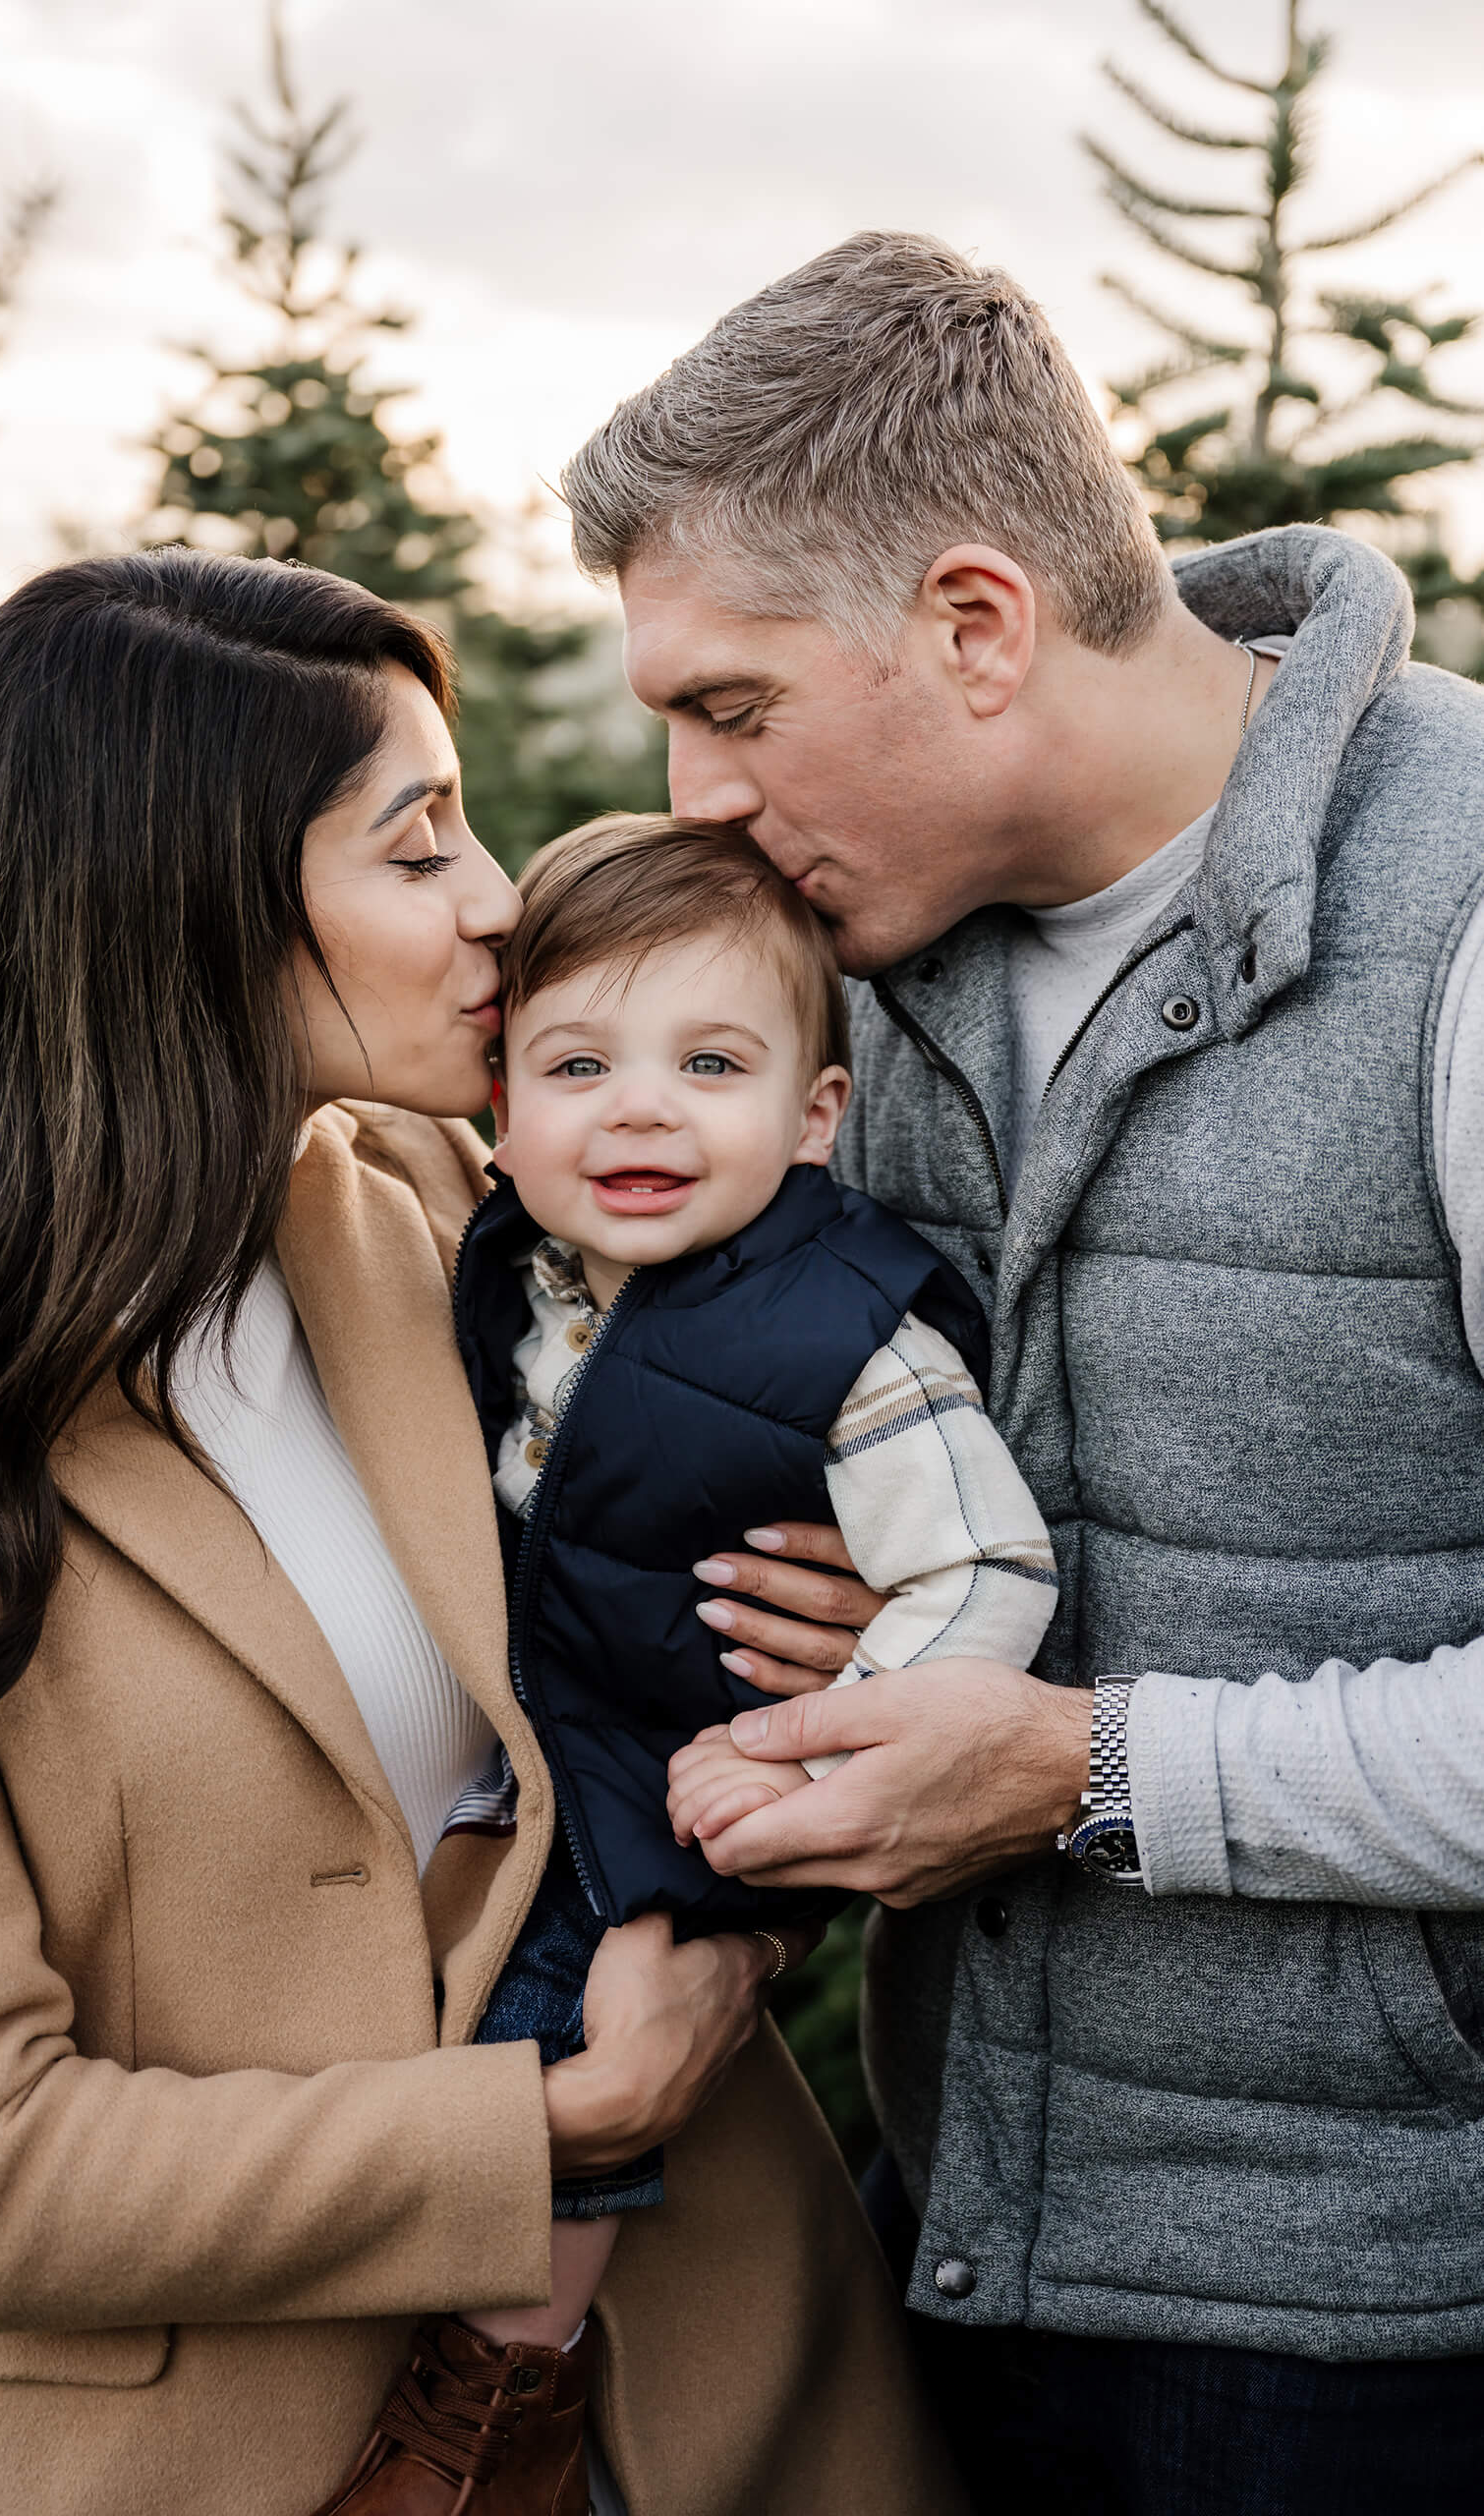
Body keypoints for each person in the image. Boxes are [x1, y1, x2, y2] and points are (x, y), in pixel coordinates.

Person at [0, 549, 960, 2516]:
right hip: (251, 2456)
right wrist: (554, 2116)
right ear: (174, 900)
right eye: (418, 846)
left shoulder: (448, 1199)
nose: (500, 900)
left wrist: (821, 1630)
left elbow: (656, 1652)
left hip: (713, 2378)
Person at [559, 231, 1484, 2514]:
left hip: (1379, 2330)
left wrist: (1082, 1766)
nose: (687, 791)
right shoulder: (837, 966)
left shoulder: (1463, 912)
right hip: (959, 2236)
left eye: (732, 704)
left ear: (975, 625)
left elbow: (1057, 1743)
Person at [349, 811, 1056, 2508]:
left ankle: (494, 2406)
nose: (643, 1109)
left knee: (565, 2016)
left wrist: (820, 1747)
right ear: (500, 1105)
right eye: (579, 1065)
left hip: (691, 1778)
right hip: (554, 1753)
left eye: (713, 1064)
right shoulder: (513, 1270)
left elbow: (985, 1565)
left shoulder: (850, 1338)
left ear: (817, 1115)